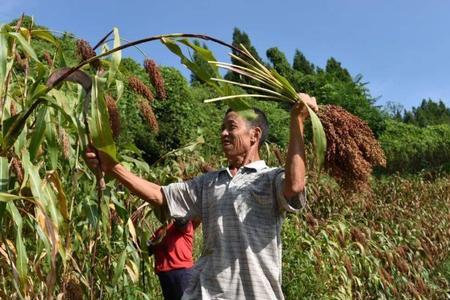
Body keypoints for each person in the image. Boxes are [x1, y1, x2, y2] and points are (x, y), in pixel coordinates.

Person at [86, 93, 318, 299]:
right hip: (208, 292)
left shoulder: (270, 179)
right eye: (222, 128)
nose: (223, 133)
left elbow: (295, 186)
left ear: (254, 135)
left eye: (231, 127)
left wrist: (296, 121)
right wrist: (114, 167)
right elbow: (161, 195)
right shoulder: (209, 183)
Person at [148, 218, 200, 300]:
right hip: (165, 277)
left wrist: (169, 207)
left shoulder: (185, 225)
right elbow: (146, 250)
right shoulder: (160, 231)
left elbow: (180, 220)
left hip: (182, 274)